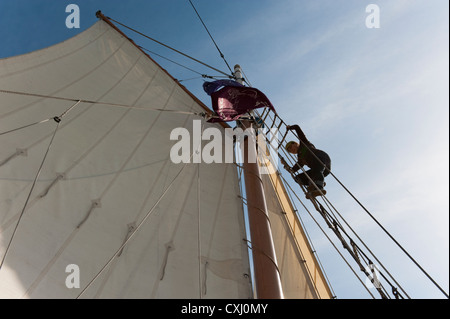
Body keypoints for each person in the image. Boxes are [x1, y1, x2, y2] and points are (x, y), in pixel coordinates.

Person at [282, 124, 331, 198]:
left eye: (291, 147)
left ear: (295, 143)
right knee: (298, 178)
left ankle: (319, 186)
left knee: (316, 167)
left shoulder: (304, 143)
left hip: (322, 159)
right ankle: (316, 184)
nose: (291, 150)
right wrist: (285, 166)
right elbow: (293, 170)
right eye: (290, 151)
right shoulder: (300, 159)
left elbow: (297, 127)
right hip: (317, 170)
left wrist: (290, 127)